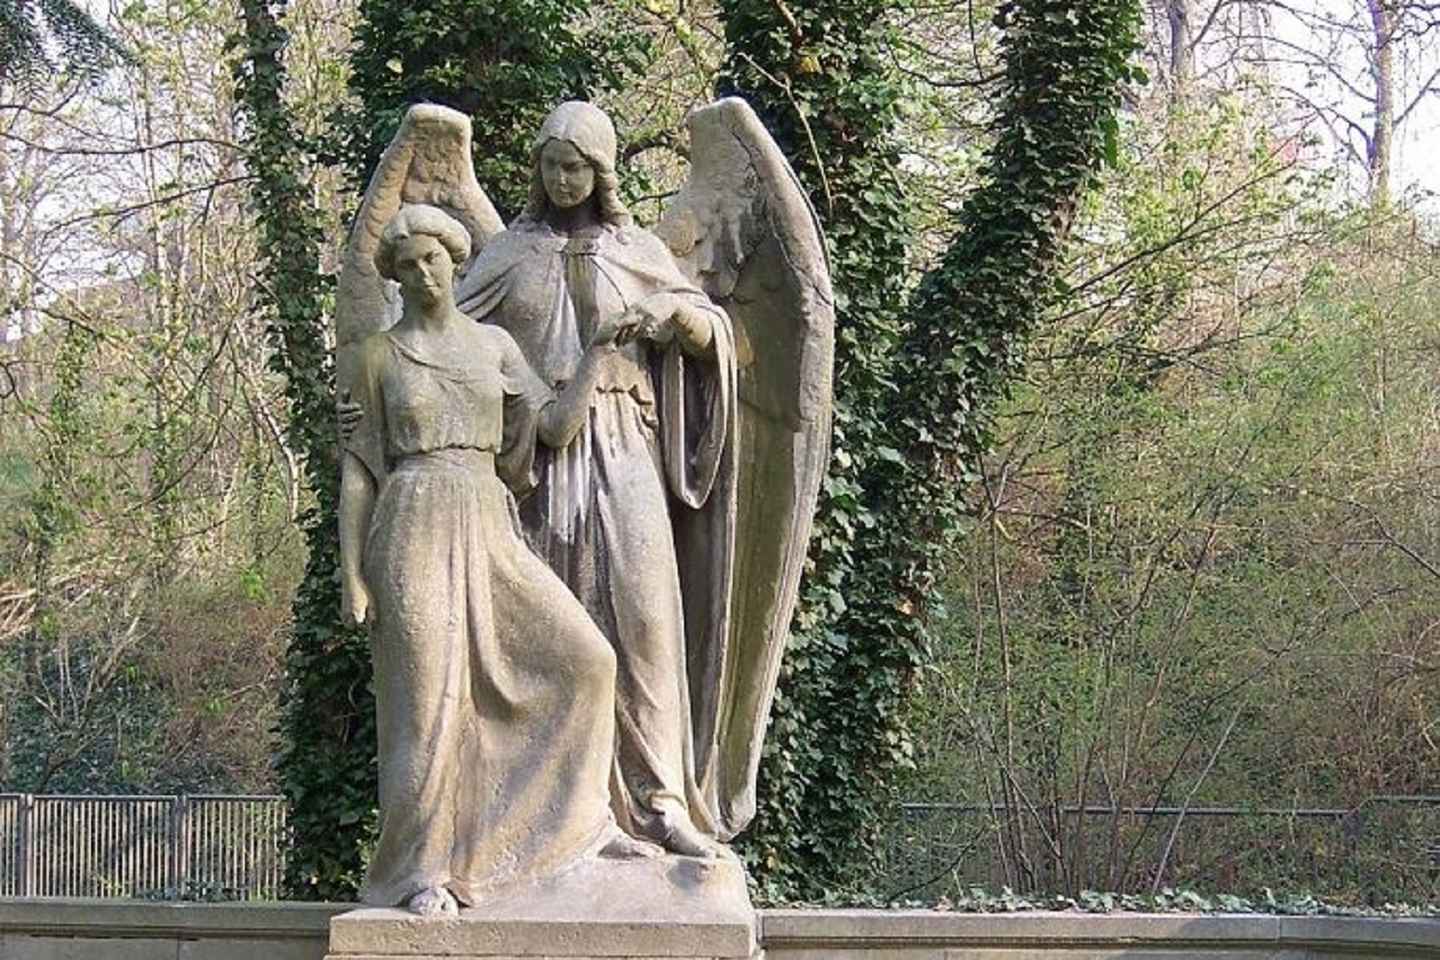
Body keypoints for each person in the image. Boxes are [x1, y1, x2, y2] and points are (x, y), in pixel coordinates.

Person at [338, 203, 644, 916]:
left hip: (488, 518)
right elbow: (357, 472)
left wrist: (598, 353)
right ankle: (420, 872)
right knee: (428, 706)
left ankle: (573, 830)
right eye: (408, 265)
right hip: (411, 520)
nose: (423, 274)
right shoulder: (376, 357)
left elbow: (553, 429)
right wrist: (350, 573)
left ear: (455, 262)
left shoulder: (496, 347)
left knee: (587, 662)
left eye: (433, 259)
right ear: (396, 277)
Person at [452, 101, 738, 858]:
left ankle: (659, 802)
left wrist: (678, 320)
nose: (562, 178)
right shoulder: (508, 254)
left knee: (644, 618)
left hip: (623, 444)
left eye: (576, 166)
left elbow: (708, 328)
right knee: (551, 633)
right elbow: (447, 335)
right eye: (551, 165)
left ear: (602, 170)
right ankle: (552, 817)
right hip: (539, 462)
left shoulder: (638, 250)